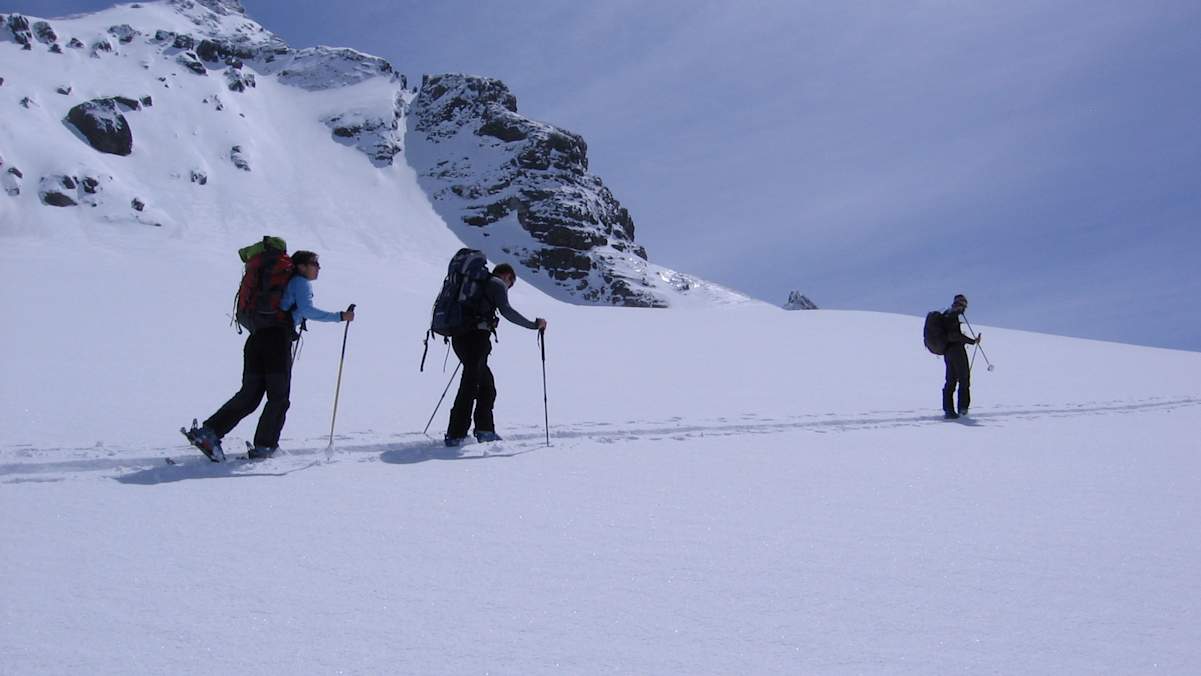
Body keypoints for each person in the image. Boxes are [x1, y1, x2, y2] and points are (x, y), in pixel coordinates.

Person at [188, 250, 354, 460]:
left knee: (250, 395)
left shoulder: (279, 285)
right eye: (315, 264)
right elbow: (308, 310)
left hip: (257, 339)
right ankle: (265, 446)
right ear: (301, 266)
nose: (318, 268)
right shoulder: (300, 282)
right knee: (279, 397)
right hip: (276, 342)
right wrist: (340, 316)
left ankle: (209, 432)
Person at [445, 263, 547, 447]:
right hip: (476, 340)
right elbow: (507, 311)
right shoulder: (496, 283)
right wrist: (533, 325)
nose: (509, 287)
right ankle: (457, 434)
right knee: (470, 386)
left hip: (460, 338)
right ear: (507, 275)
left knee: (485, 386)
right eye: (511, 283)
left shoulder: (478, 285)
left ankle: (483, 430)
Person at [941, 294, 980, 419]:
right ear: (961, 304)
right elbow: (954, 336)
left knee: (950, 381)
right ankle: (963, 410)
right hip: (957, 351)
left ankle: (948, 410)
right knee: (964, 379)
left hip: (947, 351)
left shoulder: (946, 314)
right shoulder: (953, 316)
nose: (965, 309)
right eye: (964, 305)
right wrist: (972, 341)